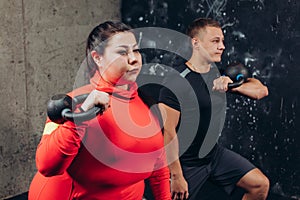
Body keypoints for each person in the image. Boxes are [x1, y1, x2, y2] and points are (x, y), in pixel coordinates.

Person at [29, 21, 171, 200]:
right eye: (122, 52)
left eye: (135, 50)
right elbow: (47, 166)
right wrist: (80, 117)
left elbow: (159, 168)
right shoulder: (75, 103)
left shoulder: (146, 101)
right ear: (97, 58)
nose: (134, 58)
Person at [158, 18, 270, 200]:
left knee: (260, 185)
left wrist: (233, 86)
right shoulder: (177, 80)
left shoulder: (219, 74)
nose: (222, 46)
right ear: (196, 43)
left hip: (214, 155)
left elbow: (261, 90)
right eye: (215, 41)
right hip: (187, 163)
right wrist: (176, 176)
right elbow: (167, 132)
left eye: (223, 41)